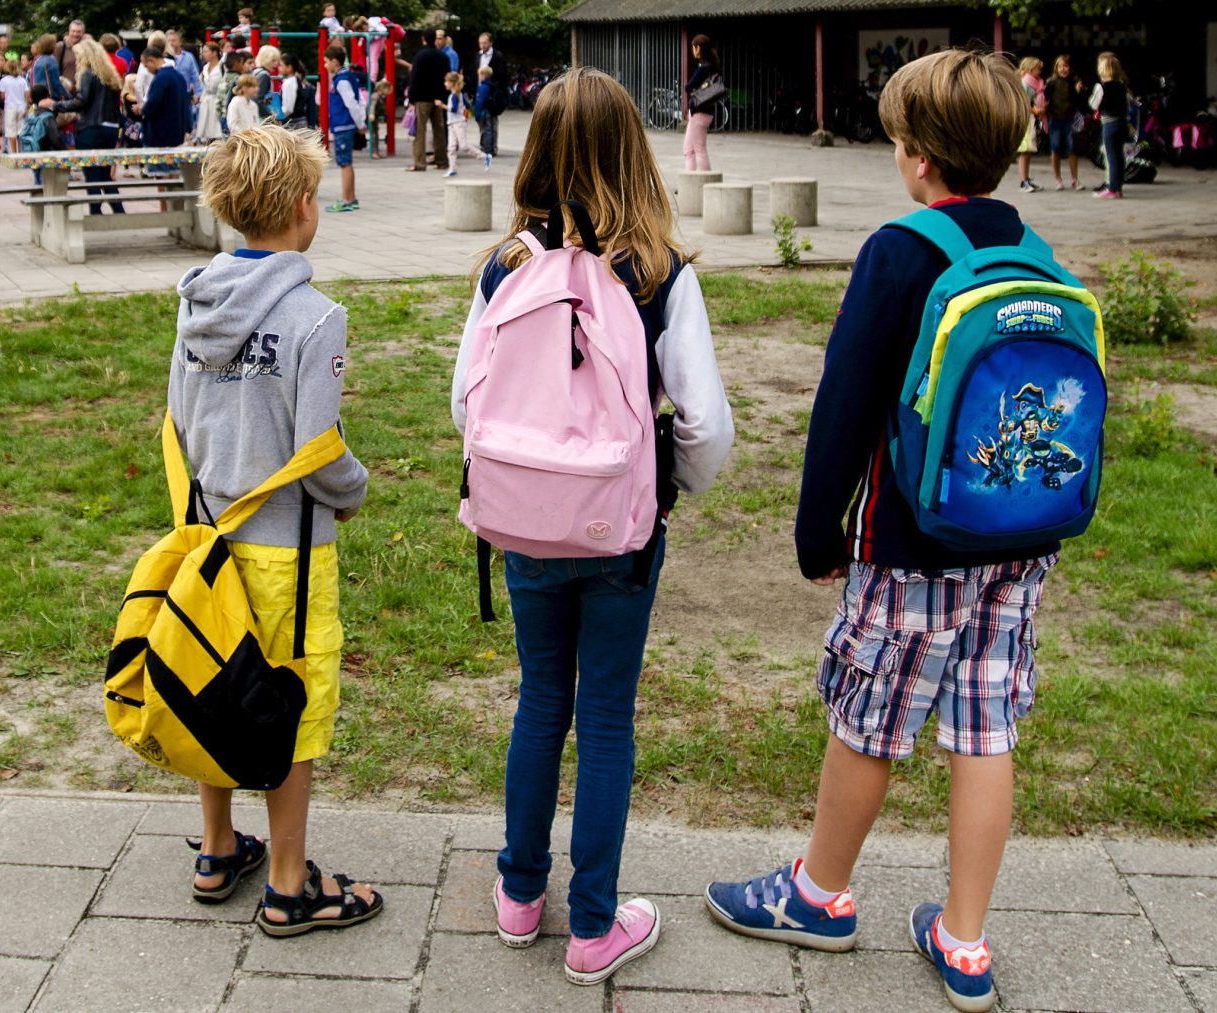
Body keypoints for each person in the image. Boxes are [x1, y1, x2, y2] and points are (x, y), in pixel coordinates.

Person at [703, 50, 1057, 1013]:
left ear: (916, 158)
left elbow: (845, 406)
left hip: (912, 543)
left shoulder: (901, 253)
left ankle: (817, 894)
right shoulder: (1034, 251)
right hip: (1018, 538)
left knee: (869, 719)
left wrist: (819, 533)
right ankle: (965, 939)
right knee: (986, 727)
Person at [452, 65, 733, 988]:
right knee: (606, 714)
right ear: (633, 153)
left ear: (534, 151)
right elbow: (706, 426)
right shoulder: (657, 271)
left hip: (526, 527)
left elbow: (467, 402)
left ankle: (519, 895)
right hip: (619, 529)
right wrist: (666, 485)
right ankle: (596, 926)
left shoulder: (505, 267)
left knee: (541, 700)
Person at [171, 124, 381, 938]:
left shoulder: (194, 299)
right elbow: (318, 452)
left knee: (216, 683)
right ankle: (290, 883)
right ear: (303, 206)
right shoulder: (316, 317)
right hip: (288, 551)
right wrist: (355, 491)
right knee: (288, 701)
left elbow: (182, 420)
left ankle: (220, 846)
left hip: (207, 534)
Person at [43, 40, 126, 215]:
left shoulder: (88, 73)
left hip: (91, 128)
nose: (77, 59)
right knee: (105, 175)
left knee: (92, 176)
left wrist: (57, 105)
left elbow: (82, 101)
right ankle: (119, 212)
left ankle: (95, 212)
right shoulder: (110, 75)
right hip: (110, 128)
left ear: (86, 55)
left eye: (79, 55)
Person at [323, 45, 364, 212]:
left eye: (326, 62)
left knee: (344, 163)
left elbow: (352, 103)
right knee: (348, 162)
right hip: (346, 124)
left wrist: (360, 124)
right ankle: (351, 197)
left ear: (334, 61)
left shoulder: (342, 81)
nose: (325, 65)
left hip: (343, 124)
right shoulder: (348, 76)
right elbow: (359, 100)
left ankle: (346, 199)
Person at [135, 44, 192, 149]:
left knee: (157, 164)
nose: (147, 70)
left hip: (159, 136)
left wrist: (142, 109)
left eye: (146, 66)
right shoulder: (179, 77)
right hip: (176, 135)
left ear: (151, 61)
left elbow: (152, 104)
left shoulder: (161, 78)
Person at [1091, 51, 1130, 199]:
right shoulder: (1121, 86)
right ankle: (1118, 186)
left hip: (1109, 123)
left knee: (1111, 156)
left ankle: (1112, 188)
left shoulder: (1101, 87)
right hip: (1121, 122)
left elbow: (1094, 104)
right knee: (1119, 156)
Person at [407, 32, 447, 172]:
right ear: (435, 40)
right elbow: (446, 77)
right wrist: (443, 96)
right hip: (438, 99)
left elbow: (415, 77)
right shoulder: (442, 56)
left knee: (419, 131)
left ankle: (419, 163)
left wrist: (411, 97)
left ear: (423, 39)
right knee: (439, 131)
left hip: (422, 97)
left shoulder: (420, 56)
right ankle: (442, 160)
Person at [1045, 55, 1084, 190]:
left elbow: (1079, 101)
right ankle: (1058, 179)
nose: (1063, 69)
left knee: (1072, 149)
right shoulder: (1051, 82)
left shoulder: (1074, 81)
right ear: (1056, 68)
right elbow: (1045, 99)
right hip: (1054, 118)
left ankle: (1075, 179)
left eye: (1066, 66)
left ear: (1070, 68)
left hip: (1070, 119)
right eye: (1060, 66)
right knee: (1055, 149)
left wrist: (1079, 90)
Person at [682, 34, 719, 172]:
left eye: (694, 47)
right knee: (689, 148)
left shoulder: (704, 68)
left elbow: (688, 87)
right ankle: (690, 179)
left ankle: (705, 181)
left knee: (699, 149)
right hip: (704, 112)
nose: (693, 50)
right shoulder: (713, 66)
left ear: (698, 48)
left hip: (699, 113)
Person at [440, 70, 484, 177]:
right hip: (453, 123)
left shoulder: (454, 95)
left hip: (458, 123)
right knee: (451, 147)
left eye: (446, 81)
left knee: (463, 145)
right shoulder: (459, 94)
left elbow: (453, 109)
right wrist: (465, 114)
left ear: (452, 83)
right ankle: (452, 168)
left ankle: (483, 156)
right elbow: (468, 106)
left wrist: (442, 105)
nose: (445, 83)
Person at [1015, 56, 1044, 193]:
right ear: (1030, 69)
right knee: (1025, 150)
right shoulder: (1025, 83)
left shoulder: (1035, 83)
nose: (1040, 71)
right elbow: (1022, 102)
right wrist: (1034, 109)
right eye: (1038, 69)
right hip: (1026, 119)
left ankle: (1026, 178)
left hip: (1032, 118)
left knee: (1029, 151)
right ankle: (1023, 181)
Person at [0, 59, 28, 153]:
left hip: (10, 107)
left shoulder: (4, 80)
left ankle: (14, 153)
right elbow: (27, 94)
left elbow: (2, 96)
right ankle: (21, 152)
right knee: (21, 131)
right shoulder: (22, 80)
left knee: (11, 132)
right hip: (21, 106)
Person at [197, 43, 224, 142]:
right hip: (206, 100)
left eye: (205, 51)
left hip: (218, 100)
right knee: (205, 128)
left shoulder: (222, 67)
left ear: (214, 53)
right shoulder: (205, 68)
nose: (203, 54)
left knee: (216, 129)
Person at [167, 30, 202, 103]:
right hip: (168, 96)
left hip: (185, 95)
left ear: (180, 42)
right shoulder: (164, 58)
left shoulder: (189, 57)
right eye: (168, 40)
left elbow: (195, 76)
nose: (170, 43)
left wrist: (198, 94)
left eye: (173, 40)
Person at [30, 35, 67, 102]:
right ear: (51, 46)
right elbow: (56, 83)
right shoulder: (51, 61)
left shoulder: (38, 61)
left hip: (38, 97)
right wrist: (68, 96)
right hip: (50, 98)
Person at [474, 65, 500, 158]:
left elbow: (479, 101)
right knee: (492, 129)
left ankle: (486, 149)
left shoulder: (483, 87)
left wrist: (477, 114)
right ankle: (493, 148)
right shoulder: (492, 85)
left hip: (484, 112)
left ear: (483, 75)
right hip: (491, 110)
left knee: (486, 130)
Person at [251, 46, 281, 122]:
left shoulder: (255, 72)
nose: (276, 64)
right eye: (273, 61)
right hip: (262, 118)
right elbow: (259, 99)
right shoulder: (264, 76)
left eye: (277, 61)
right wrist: (270, 116)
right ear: (265, 59)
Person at [55, 20, 84, 87]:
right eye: (73, 31)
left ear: (83, 33)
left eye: (78, 32)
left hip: (83, 92)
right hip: (64, 92)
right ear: (69, 32)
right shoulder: (60, 47)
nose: (75, 34)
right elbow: (54, 71)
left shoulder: (86, 49)